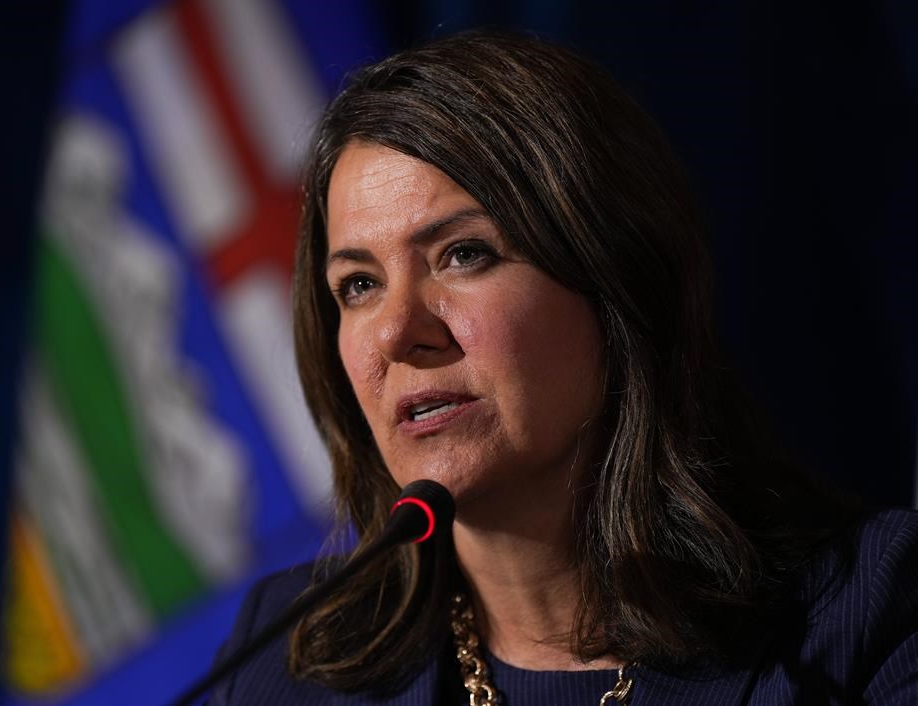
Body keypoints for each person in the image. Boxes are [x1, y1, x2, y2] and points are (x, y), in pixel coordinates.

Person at [207, 31, 918, 705]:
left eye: (464, 254)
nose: (396, 331)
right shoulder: (287, 659)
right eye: (358, 285)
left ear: (616, 281)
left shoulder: (868, 619)